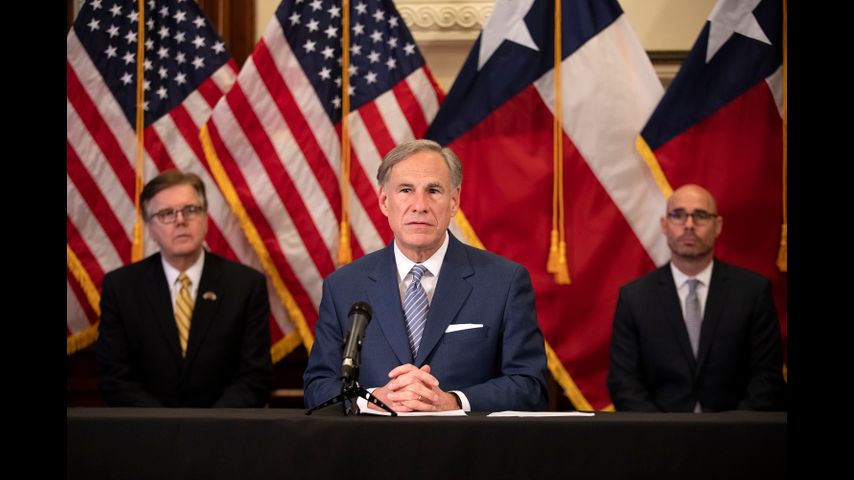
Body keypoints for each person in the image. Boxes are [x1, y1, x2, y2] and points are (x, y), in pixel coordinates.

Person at [303, 139, 548, 412]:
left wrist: (453, 401)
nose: (420, 205)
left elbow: (530, 386)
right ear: (384, 201)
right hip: (374, 439)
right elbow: (318, 386)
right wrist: (371, 399)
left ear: (453, 201)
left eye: (433, 190)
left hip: (464, 439)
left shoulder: (504, 282)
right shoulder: (343, 287)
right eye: (406, 190)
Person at [97, 170, 273, 407]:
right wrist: (165, 424)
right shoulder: (121, 288)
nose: (180, 220)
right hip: (146, 427)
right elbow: (115, 380)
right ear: (149, 228)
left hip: (224, 427)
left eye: (190, 210)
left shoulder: (246, 285)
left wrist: (211, 424)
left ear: (206, 219)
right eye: (166, 214)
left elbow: (255, 378)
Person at [607, 184, 785, 412]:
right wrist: (659, 430)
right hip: (659, 431)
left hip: (736, 430)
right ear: (664, 225)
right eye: (678, 215)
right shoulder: (635, 298)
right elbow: (624, 383)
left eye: (700, 215)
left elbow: (767, 377)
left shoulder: (753, 292)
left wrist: (735, 427)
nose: (689, 225)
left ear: (718, 226)